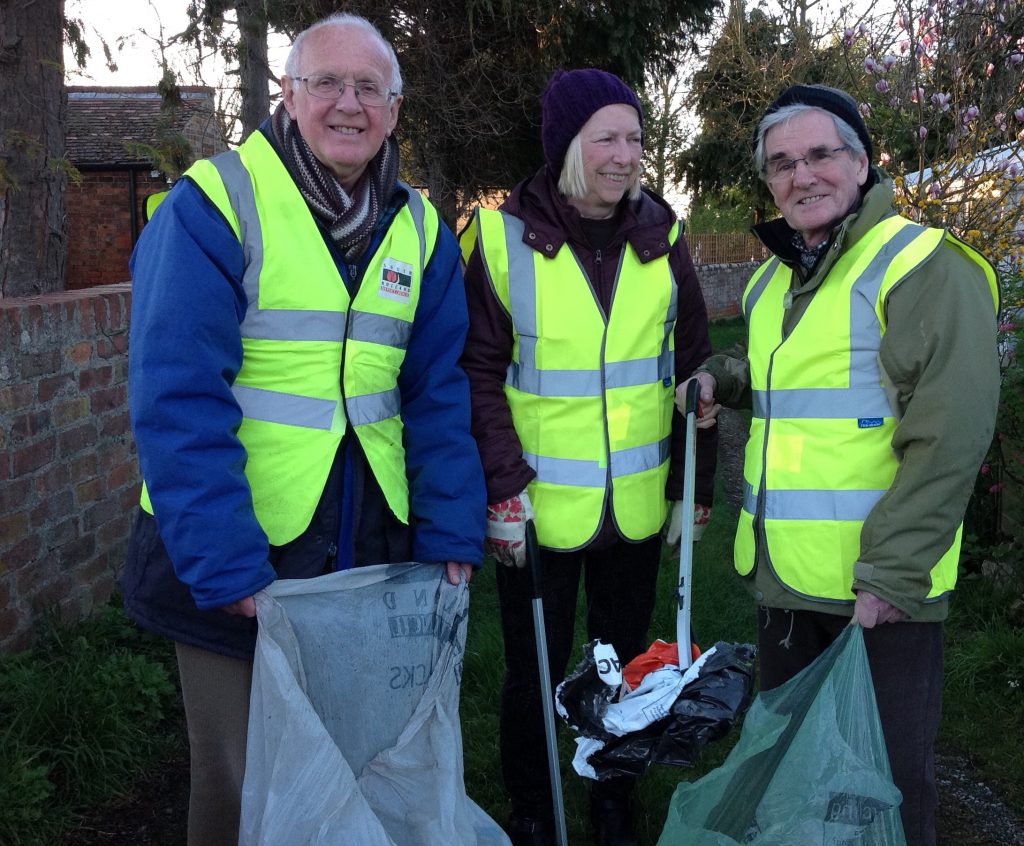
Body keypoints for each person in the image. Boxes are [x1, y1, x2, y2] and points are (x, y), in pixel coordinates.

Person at [120, 14, 485, 846]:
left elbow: (437, 391)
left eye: (369, 89)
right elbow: (176, 400)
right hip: (239, 557)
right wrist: (226, 566)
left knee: (352, 766)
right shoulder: (214, 205)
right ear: (288, 95)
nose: (347, 104)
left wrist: (452, 532)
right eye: (326, 83)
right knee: (242, 781)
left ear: (394, 110)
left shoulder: (421, 230)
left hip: (368, 551)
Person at [680, 84, 999, 846]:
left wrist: (892, 573)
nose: (802, 175)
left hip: (879, 588)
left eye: (821, 154)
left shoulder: (920, 266)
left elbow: (950, 432)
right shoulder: (771, 280)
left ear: (862, 161)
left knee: (880, 786)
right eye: (782, 163)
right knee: (796, 775)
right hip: (788, 583)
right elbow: (788, 377)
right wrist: (720, 379)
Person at [460, 68, 718, 846]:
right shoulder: (501, 241)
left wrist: (688, 486)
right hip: (536, 509)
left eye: (636, 137)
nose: (625, 153)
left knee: (628, 669)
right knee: (532, 673)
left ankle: (612, 800)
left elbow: (695, 361)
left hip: (635, 508)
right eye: (606, 136)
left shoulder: (662, 234)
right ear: (567, 146)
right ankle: (535, 808)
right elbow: (475, 373)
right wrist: (502, 490)